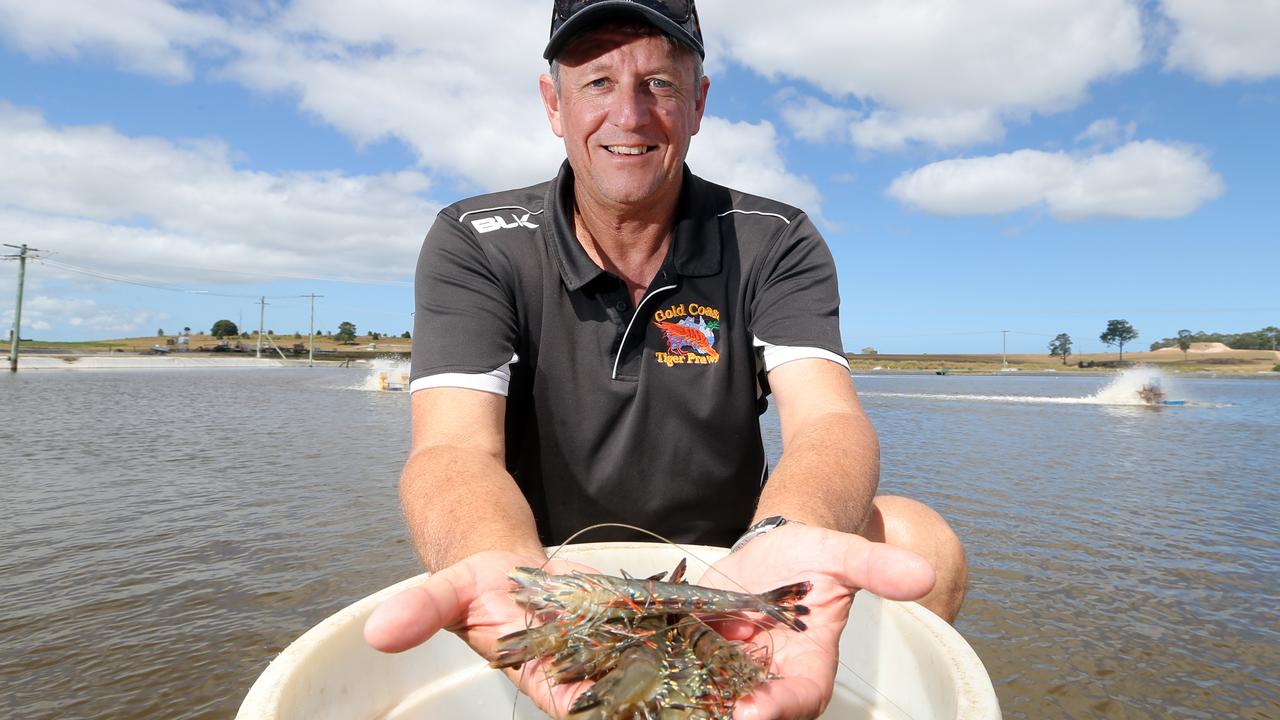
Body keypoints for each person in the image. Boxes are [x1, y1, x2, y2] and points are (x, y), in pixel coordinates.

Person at [365, 1, 967, 716]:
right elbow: (452, 449)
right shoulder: (476, 239)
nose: (630, 114)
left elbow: (828, 421)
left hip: (736, 560)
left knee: (919, 540)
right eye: (596, 82)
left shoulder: (773, 239)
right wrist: (512, 573)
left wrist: (784, 538)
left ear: (698, 103)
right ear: (553, 103)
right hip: (555, 562)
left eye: (659, 83)